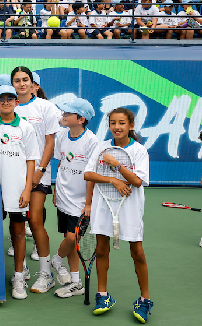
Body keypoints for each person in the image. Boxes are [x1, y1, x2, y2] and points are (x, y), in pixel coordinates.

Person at [83, 108, 152, 322]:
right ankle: (103, 295)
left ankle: (144, 300)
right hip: (104, 206)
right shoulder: (101, 147)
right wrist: (112, 179)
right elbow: (88, 174)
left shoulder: (140, 151)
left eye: (121, 123)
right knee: (102, 250)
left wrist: (116, 165)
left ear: (131, 126)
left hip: (130, 208)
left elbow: (137, 181)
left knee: (137, 252)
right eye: (113, 123)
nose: (117, 127)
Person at [0, 84, 40, 300]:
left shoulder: (26, 128)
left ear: (17, 102)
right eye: (1, 99)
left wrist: (27, 189)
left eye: (10, 98)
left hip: (17, 190)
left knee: (18, 232)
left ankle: (18, 276)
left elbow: (31, 160)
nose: (5, 102)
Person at [12, 66, 61, 293]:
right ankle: (21, 269)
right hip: (13, 174)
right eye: (17, 80)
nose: (21, 84)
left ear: (32, 83)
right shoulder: (7, 106)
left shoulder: (46, 107)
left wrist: (40, 169)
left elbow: (50, 142)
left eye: (25, 80)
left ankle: (45, 274)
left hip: (39, 173)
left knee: (35, 221)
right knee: (16, 223)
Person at [50, 98, 99, 298]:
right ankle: (76, 282)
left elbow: (92, 175)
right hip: (63, 195)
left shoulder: (92, 141)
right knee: (70, 240)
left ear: (81, 119)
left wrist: (88, 203)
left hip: (80, 202)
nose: (63, 116)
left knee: (72, 238)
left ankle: (56, 260)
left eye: (68, 114)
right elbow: (61, 163)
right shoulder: (61, 135)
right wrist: (55, 191)